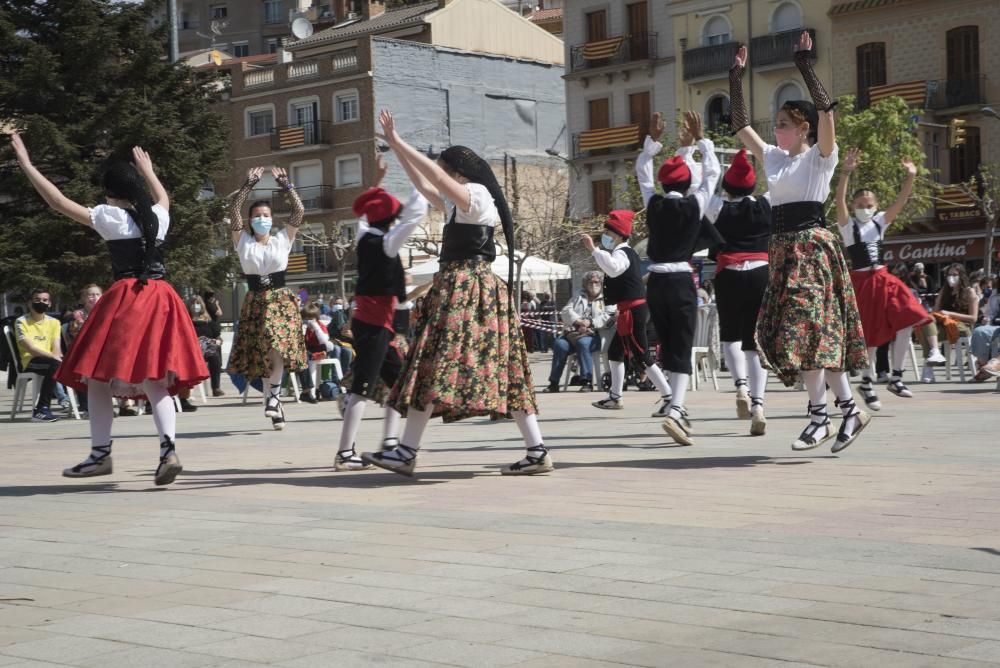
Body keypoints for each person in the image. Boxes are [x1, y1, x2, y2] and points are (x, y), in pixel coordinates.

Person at [361, 109, 551, 476]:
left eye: (444, 168)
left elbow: (432, 176)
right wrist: (395, 146)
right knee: (501, 367)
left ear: (458, 173)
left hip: (467, 291)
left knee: (432, 363)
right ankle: (537, 450)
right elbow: (424, 181)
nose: (440, 172)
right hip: (470, 290)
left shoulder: (476, 195)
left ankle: (405, 452)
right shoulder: (464, 202)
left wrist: (398, 141)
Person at [11, 132, 207, 484]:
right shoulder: (158, 217)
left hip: (129, 299)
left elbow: (56, 201)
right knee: (155, 379)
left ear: (112, 194)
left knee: (97, 378)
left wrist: (26, 164)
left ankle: (100, 454)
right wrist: (148, 171)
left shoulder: (110, 217)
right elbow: (163, 197)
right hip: (162, 297)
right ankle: (168, 450)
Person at [730, 32, 870, 453]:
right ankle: (838, 412)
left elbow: (827, 110)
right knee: (798, 336)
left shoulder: (819, 158)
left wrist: (805, 65)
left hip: (811, 247)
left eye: (784, 124)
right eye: (775, 124)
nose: (776, 130)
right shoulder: (774, 157)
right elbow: (740, 125)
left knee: (810, 332)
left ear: (803, 128)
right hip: (784, 250)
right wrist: (735, 76)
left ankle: (828, 415)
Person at [633, 110, 720, 446]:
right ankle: (676, 408)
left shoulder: (652, 203)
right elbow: (712, 173)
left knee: (668, 345)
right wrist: (701, 141)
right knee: (683, 346)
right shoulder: (695, 203)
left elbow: (642, 172)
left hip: (654, 282)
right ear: (686, 185)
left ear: (665, 183)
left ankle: (677, 407)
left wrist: (651, 144)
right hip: (682, 280)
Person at [337, 156, 428, 471]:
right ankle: (344, 452)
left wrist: (377, 180)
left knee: (399, 382)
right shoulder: (388, 242)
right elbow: (415, 214)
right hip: (376, 324)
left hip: (376, 324)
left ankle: (391, 442)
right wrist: (419, 180)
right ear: (391, 218)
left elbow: (365, 211)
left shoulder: (364, 235)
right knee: (361, 386)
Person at [835, 149, 931, 410]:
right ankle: (866, 381)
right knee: (870, 335)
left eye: (869, 205)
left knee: (909, 318)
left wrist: (910, 177)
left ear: (876, 207)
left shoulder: (879, 222)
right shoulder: (848, 225)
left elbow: (901, 201)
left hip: (883, 278)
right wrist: (845, 172)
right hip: (862, 282)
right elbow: (838, 201)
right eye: (860, 205)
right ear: (854, 207)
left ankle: (896, 376)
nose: (865, 208)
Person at [226, 166, 308, 431]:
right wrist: (248, 184)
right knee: (264, 354)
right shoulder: (243, 241)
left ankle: (273, 399)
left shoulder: (283, 239)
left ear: (272, 219)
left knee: (277, 347)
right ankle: (273, 405)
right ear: (250, 221)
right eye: (257, 215)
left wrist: (286, 185)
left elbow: (299, 212)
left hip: (281, 301)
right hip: (255, 301)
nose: (261, 218)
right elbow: (233, 211)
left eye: (266, 215)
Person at [699, 147, 772, 436]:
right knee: (756, 342)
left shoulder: (717, 207)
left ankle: (739, 385)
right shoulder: (767, 203)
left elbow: (703, 185)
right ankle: (758, 404)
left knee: (730, 334)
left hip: (728, 272)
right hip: (760, 272)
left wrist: (703, 149)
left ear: (728, 186)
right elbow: (781, 181)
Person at [582, 209, 676, 423]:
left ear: (618, 234)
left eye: (608, 231)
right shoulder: (623, 252)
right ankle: (615, 396)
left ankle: (670, 397)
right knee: (615, 352)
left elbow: (614, 270)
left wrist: (594, 250)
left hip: (633, 310)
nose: (605, 235)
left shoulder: (622, 253)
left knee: (642, 354)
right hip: (628, 309)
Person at [545, 271, 613, 393]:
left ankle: (586, 381)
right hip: (574, 332)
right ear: (585, 284)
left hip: (596, 334)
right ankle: (553, 383)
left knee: (583, 343)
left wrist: (590, 323)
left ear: (601, 283)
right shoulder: (578, 295)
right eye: (590, 282)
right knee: (559, 344)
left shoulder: (608, 296)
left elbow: (608, 316)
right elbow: (566, 311)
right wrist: (578, 321)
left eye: (596, 282)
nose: (593, 284)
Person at [13, 288, 63, 423]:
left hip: (50, 361)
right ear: (29, 303)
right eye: (37, 300)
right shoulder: (21, 321)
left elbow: (56, 346)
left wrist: (56, 357)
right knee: (57, 365)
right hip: (30, 361)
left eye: (45, 300)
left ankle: (85, 406)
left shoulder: (54, 322)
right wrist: (55, 357)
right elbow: (31, 349)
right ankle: (41, 409)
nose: (41, 302)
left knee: (72, 364)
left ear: (50, 303)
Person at [931, 264, 979, 358]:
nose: (951, 277)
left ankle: (931, 362)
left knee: (930, 333)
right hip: (945, 324)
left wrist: (950, 314)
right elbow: (935, 312)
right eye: (949, 275)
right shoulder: (945, 292)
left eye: (954, 274)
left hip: (963, 326)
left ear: (961, 276)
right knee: (928, 330)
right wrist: (940, 296)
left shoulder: (969, 291)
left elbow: (974, 318)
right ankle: (929, 367)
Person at [189, 295, 224, 397]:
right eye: (193, 303)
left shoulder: (209, 321)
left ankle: (216, 388)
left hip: (207, 350)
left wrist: (218, 341)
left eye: (198, 303)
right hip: (192, 351)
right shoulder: (187, 320)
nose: (195, 306)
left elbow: (218, 337)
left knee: (215, 358)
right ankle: (188, 390)